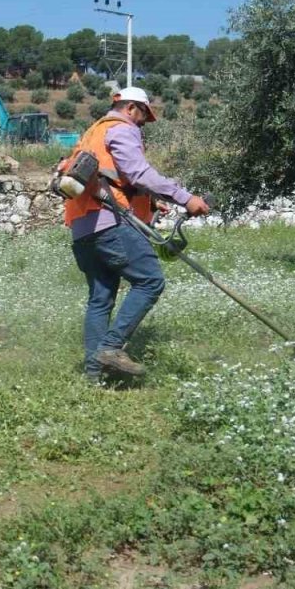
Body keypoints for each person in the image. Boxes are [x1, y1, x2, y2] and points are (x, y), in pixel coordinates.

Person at [64, 86, 210, 381]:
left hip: (83, 228)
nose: (143, 124)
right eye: (143, 116)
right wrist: (185, 198)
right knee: (150, 282)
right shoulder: (122, 129)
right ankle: (111, 348)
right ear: (131, 108)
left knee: (100, 298)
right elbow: (138, 173)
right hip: (111, 223)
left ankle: (94, 376)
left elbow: (111, 178)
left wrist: (151, 201)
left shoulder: (92, 133)